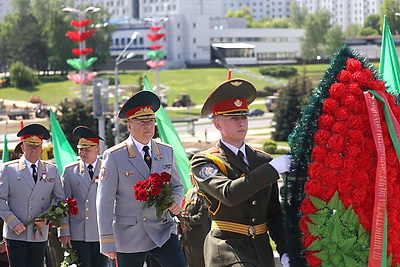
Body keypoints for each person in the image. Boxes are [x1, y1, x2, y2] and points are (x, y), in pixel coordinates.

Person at [190, 78, 291, 267]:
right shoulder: (205, 161)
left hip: (260, 250)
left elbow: (274, 214)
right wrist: (272, 170)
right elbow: (229, 193)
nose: (241, 122)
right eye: (234, 118)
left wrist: (285, 249)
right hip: (227, 249)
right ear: (217, 124)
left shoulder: (262, 160)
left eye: (244, 116)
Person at [96, 90, 186, 267]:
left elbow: (177, 185)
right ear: (129, 125)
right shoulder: (114, 156)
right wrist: (106, 239)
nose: (148, 126)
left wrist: (176, 199)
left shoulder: (166, 151)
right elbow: (104, 201)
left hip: (162, 229)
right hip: (130, 234)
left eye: (151, 121)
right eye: (142, 122)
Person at [0, 123, 68, 267]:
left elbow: (60, 199)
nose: (34, 150)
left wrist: (47, 218)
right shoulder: (8, 170)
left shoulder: (51, 170)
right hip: (16, 232)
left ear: (42, 148)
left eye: (37, 146)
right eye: (30, 145)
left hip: (39, 233)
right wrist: (12, 221)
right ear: (23, 147)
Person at [61, 126, 108, 267]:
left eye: (87, 149)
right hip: (78, 232)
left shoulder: (108, 168)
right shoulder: (70, 171)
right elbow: (63, 203)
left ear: (98, 149)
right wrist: (64, 231)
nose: (83, 153)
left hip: (102, 231)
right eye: (81, 149)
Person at [179, 175, 209, 267]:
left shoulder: (204, 194)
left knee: (200, 263)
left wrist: (184, 218)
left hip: (198, 238)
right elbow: (185, 210)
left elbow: (201, 217)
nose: (190, 179)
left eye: (192, 176)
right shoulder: (190, 193)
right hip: (187, 237)